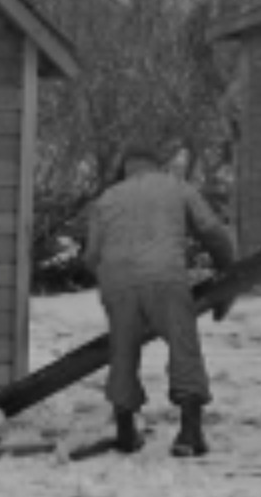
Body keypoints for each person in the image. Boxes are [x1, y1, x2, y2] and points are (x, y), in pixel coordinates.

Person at [83, 141, 237, 458]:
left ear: (125, 167)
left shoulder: (107, 199)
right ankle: (189, 432)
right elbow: (212, 231)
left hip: (118, 282)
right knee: (183, 346)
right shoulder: (176, 187)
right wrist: (227, 272)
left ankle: (125, 430)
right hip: (165, 278)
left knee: (122, 351)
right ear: (156, 165)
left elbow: (91, 256)